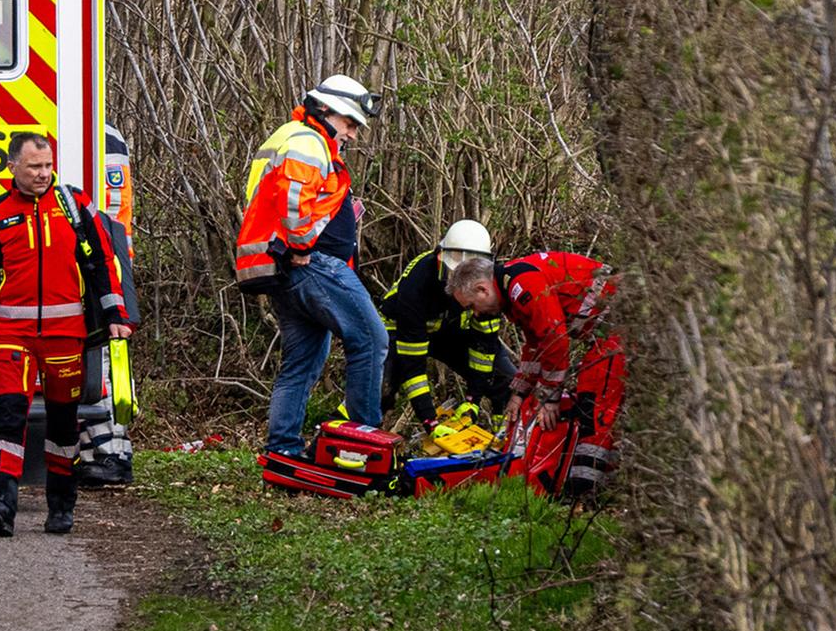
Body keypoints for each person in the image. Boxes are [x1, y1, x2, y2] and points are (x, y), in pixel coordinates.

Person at [0, 133, 130, 537]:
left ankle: (61, 506)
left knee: (63, 426)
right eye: (34, 167)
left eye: (47, 166)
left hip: (66, 337)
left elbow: (103, 262)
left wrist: (116, 313)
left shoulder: (75, 206)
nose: (44, 174)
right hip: (11, 336)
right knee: (10, 418)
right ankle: (2, 503)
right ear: (12, 167)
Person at [234, 75, 388, 458]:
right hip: (310, 264)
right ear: (326, 111)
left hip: (286, 270)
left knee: (302, 363)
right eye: (349, 124)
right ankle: (363, 448)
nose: (352, 135)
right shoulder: (307, 142)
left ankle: (282, 449)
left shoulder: (294, 137)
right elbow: (293, 200)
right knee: (371, 339)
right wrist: (301, 243)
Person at [446, 251, 624, 498]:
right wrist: (519, 393)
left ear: (482, 289)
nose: (475, 314)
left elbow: (555, 340)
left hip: (620, 324)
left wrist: (550, 398)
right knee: (594, 403)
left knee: (594, 405)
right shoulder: (512, 286)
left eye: (471, 306)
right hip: (612, 326)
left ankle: (584, 495)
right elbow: (535, 345)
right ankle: (604, 485)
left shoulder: (523, 284)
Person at [377, 218, 512, 432]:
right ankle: (350, 433)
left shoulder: (487, 288)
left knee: (504, 377)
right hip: (401, 328)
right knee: (381, 386)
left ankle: (505, 434)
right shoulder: (416, 286)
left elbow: (485, 347)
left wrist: (473, 400)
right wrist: (430, 421)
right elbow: (413, 363)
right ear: (441, 258)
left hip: (447, 329)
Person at [77, 125, 140, 486]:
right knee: (93, 363)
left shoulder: (104, 137)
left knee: (102, 364)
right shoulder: (104, 133)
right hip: (106, 264)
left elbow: (110, 210)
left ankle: (111, 454)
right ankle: (93, 455)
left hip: (104, 267)